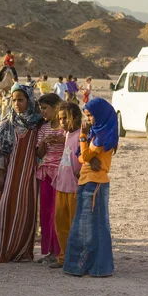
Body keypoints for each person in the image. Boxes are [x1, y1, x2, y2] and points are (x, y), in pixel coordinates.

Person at [0, 85, 43, 263]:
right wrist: (0, 175)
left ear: (29, 101)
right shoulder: (7, 123)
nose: (17, 104)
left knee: (26, 210)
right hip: (10, 174)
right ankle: (2, 249)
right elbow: (0, 151)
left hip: (29, 176)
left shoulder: (38, 124)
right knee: (3, 207)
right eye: (14, 100)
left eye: (21, 100)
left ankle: (21, 251)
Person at [64, 98, 118, 277]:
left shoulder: (102, 135)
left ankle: (94, 267)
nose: (89, 121)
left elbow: (85, 154)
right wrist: (87, 153)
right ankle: (85, 265)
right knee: (86, 225)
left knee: (91, 226)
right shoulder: (95, 134)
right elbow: (81, 157)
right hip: (87, 181)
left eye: (91, 116)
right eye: (86, 116)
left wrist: (82, 137)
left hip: (95, 183)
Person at [51, 102, 82, 269]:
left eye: (65, 118)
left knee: (74, 225)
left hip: (74, 187)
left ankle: (75, 259)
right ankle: (63, 257)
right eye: (60, 118)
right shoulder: (67, 135)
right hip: (61, 185)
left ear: (75, 118)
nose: (62, 122)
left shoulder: (80, 135)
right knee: (60, 224)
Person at [36, 94, 65, 264]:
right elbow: (39, 154)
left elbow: (70, 144)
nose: (43, 112)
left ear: (56, 108)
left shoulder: (64, 128)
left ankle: (59, 251)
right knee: (45, 213)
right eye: (41, 109)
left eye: (45, 108)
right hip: (45, 173)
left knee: (57, 212)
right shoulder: (43, 129)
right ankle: (49, 251)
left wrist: (61, 139)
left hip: (61, 174)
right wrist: (45, 144)